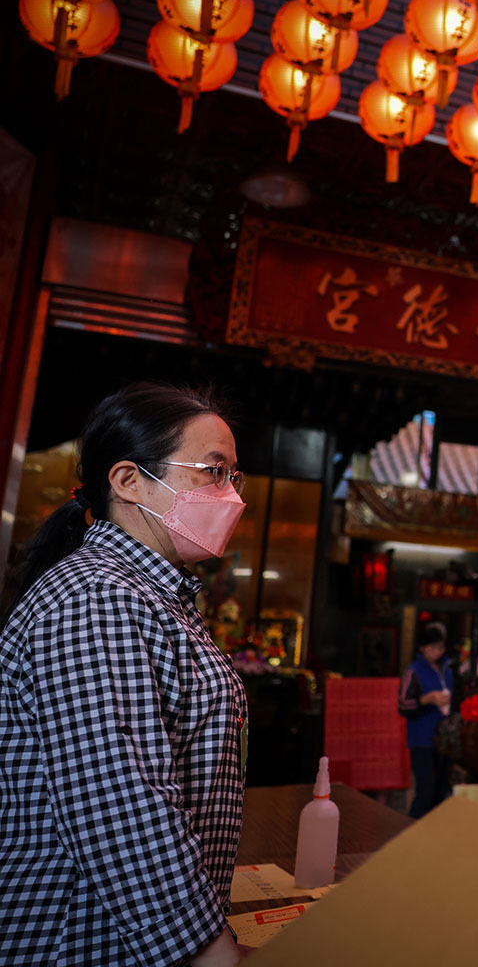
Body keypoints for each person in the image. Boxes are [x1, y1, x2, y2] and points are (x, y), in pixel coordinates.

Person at [0, 383, 251, 967]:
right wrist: (209, 953)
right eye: (213, 473)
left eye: (234, 477)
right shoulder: (96, 599)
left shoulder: (152, 597)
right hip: (85, 938)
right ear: (129, 481)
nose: (231, 496)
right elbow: (119, 804)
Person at [398, 620, 454, 817]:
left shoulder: (447, 670)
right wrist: (426, 700)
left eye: (440, 647)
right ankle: (410, 829)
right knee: (426, 789)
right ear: (422, 648)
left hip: (445, 738)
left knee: (442, 789)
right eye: (432, 647)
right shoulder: (413, 671)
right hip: (422, 738)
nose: (437, 651)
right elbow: (403, 705)